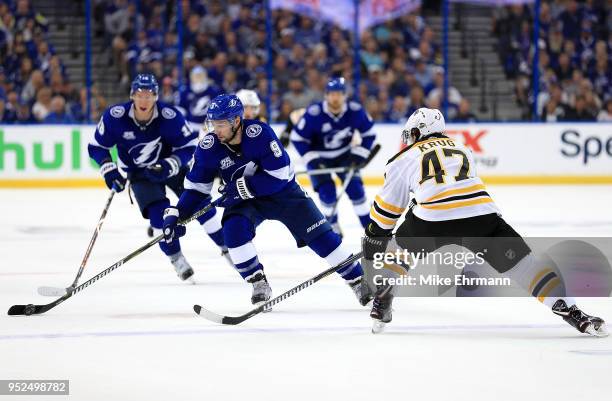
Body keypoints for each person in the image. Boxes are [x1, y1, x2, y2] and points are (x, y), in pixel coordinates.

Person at [364, 107, 607, 336]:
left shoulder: (402, 158)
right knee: (526, 265)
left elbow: (387, 211)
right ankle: (572, 311)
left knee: (401, 247)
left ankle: (383, 299)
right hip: (481, 216)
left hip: (433, 219)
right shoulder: (463, 148)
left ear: (418, 131)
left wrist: (376, 235)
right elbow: (457, 187)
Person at [162, 94, 372, 307]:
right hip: (245, 201)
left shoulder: (260, 134)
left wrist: (242, 187)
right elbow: (196, 189)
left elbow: (279, 176)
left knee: (322, 237)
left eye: (222, 124)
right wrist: (178, 213)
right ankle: (258, 283)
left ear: (236, 121)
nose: (216, 130)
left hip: (284, 194)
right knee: (233, 232)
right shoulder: (208, 147)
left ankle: (357, 279)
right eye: (213, 123)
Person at [88, 74, 228, 282]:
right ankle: (176, 257)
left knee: (201, 205)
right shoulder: (115, 117)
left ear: (156, 97)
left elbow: (190, 146)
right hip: (139, 174)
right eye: (140, 95)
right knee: (159, 218)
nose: (144, 100)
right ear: (132, 95)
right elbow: (97, 147)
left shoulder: (169, 116)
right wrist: (109, 169)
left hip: (171, 168)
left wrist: (170, 164)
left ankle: (227, 248)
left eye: (149, 95)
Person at [291, 77, 377, 235]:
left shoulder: (355, 111)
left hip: (345, 155)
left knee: (356, 190)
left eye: (338, 94)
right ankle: (333, 227)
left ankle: (371, 227)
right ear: (326, 95)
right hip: (319, 158)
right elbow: (297, 138)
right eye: (331, 94)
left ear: (345, 95)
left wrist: (358, 155)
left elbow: (369, 133)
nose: (335, 97)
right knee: (327, 193)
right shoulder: (314, 113)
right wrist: (313, 159)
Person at [176, 65, 222, 132]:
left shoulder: (213, 91)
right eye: (196, 76)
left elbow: (218, 110)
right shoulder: (185, 91)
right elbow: (181, 110)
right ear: (191, 77)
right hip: (190, 126)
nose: (198, 78)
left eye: (200, 76)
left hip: (209, 127)